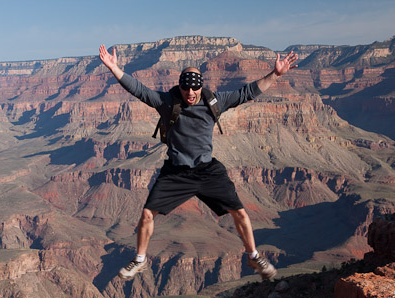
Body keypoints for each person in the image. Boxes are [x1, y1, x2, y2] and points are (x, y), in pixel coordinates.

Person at [98, 44, 298, 281]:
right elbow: (139, 90)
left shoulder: (215, 102)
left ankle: (253, 256)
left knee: (240, 212)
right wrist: (114, 68)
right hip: (176, 171)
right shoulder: (166, 102)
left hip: (207, 170)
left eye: (195, 88)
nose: (190, 93)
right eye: (186, 88)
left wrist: (275, 74)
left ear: (201, 86)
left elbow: (248, 92)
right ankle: (139, 260)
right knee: (147, 214)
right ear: (180, 87)